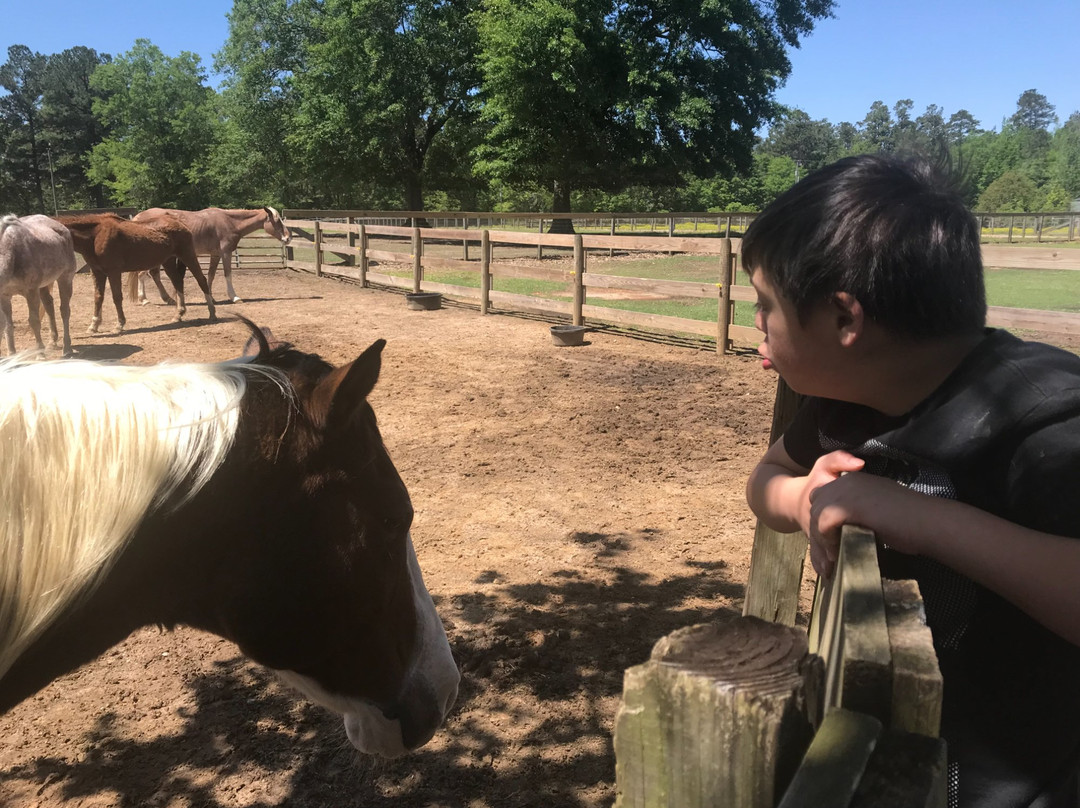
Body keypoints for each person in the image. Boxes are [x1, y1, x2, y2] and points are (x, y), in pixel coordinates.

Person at [742, 153, 1080, 808]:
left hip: (1028, 777)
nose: (755, 320)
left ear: (846, 319)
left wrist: (919, 518)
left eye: (765, 304)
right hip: (897, 741)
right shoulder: (847, 397)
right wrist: (803, 496)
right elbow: (768, 477)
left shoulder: (1045, 423)